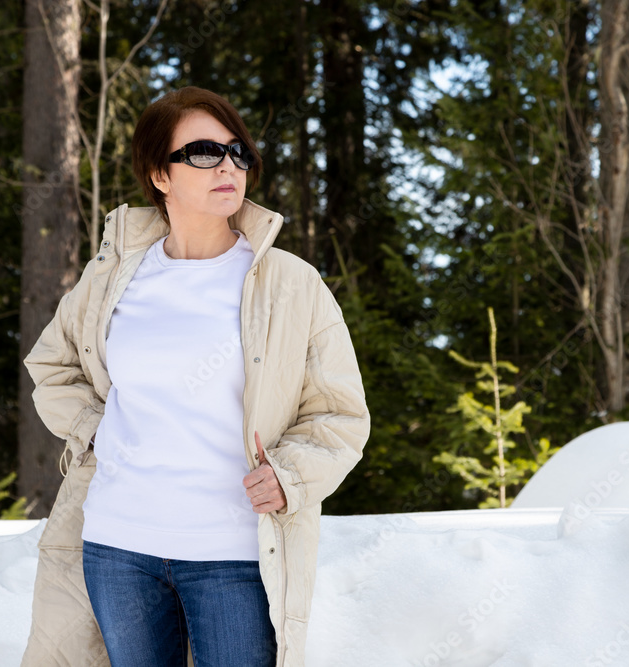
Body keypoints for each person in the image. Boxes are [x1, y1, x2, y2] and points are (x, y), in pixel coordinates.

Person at [19, 86, 370, 667]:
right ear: (160, 175)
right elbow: (53, 365)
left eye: (238, 152)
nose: (229, 165)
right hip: (118, 547)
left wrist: (291, 475)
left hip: (233, 555)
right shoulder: (113, 277)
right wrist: (96, 430)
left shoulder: (290, 283)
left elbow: (339, 414)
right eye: (204, 152)